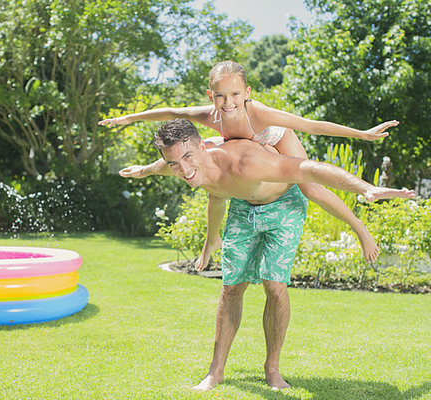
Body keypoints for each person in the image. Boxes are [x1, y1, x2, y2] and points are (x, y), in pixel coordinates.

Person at [125, 119, 413, 391]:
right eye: (175, 163)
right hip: (242, 208)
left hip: (284, 206)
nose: (184, 169)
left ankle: (272, 369)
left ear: (203, 147)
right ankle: (216, 371)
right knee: (230, 288)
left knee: (274, 284)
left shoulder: (249, 162)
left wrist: (366, 188)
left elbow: (313, 171)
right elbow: (162, 165)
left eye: (187, 157)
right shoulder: (178, 164)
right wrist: (142, 170)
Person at [99, 60, 399, 263]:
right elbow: (169, 111)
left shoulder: (260, 113)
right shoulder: (208, 114)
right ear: (210, 94)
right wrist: (128, 118)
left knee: (309, 187)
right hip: (243, 148)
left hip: (276, 138)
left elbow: (312, 125)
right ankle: (209, 239)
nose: (228, 103)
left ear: (247, 93)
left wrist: (363, 134)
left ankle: (358, 227)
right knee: (206, 175)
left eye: (235, 94)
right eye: (220, 96)